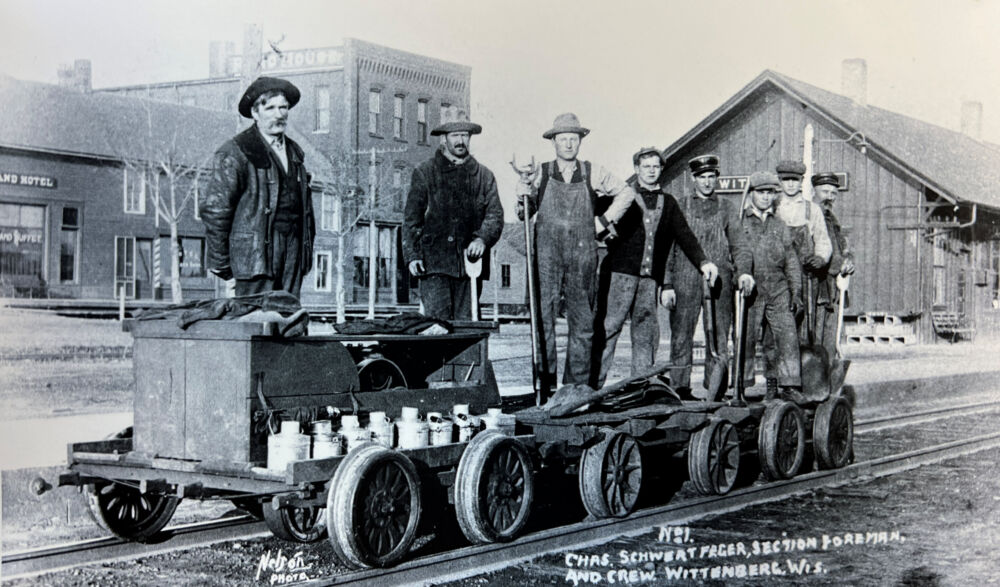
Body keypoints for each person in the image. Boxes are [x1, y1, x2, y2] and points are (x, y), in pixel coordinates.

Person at [516, 113, 636, 391]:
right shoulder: (541, 174)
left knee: (582, 324)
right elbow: (525, 212)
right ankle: (544, 388)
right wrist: (521, 195)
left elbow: (626, 193)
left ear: (580, 141)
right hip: (547, 258)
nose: (568, 144)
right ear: (553, 142)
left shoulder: (592, 172)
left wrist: (604, 221)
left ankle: (575, 390)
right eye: (563, 139)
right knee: (542, 320)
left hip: (582, 257)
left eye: (573, 138)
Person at [593, 147, 719, 389]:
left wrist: (704, 262)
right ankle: (592, 389)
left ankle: (638, 389)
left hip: (649, 280)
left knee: (645, 335)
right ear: (636, 169)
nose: (651, 171)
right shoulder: (621, 196)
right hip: (620, 276)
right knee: (609, 329)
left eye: (655, 167)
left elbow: (685, 235)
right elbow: (593, 211)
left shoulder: (668, 203)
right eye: (646, 166)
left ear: (661, 170)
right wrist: (605, 233)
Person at [201, 76, 315, 297]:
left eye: (283, 108)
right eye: (270, 108)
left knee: (290, 321)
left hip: (292, 252)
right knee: (256, 322)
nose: (279, 114)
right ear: (255, 113)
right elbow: (216, 210)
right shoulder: (236, 152)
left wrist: (305, 253)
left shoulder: (295, 153)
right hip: (253, 258)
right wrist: (222, 265)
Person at [663, 154, 753, 397]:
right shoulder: (680, 205)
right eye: (702, 177)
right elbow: (668, 247)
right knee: (681, 335)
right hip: (684, 277)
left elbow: (740, 245)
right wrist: (667, 283)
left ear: (717, 178)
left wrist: (744, 272)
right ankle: (679, 389)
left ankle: (716, 389)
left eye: (711, 176)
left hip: (719, 281)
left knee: (719, 336)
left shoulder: (727, 207)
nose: (706, 182)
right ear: (693, 179)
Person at [402, 108, 504, 320]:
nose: (461, 141)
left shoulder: (484, 176)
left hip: (470, 266)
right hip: (434, 266)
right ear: (443, 138)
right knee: (436, 328)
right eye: (455, 135)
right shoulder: (425, 172)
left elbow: (494, 215)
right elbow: (412, 219)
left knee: (467, 328)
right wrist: (412, 256)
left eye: (465, 135)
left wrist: (482, 239)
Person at [739, 172, 804, 403]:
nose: (766, 198)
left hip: (778, 289)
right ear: (752, 194)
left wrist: (796, 292)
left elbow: (792, 262)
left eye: (769, 193)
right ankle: (741, 388)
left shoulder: (780, 225)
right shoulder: (741, 223)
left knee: (785, 338)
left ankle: (783, 387)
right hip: (751, 291)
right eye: (761, 192)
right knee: (745, 339)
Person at [811, 172, 855, 358]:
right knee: (815, 336)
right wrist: (838, 263)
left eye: (833, 193)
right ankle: (813, 378)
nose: (829, 197)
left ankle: (827, 376)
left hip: (834, 286)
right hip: (816, 286)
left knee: (831, 335)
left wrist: (849, 260)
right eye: (825, 191)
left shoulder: (832, 219)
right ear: (814, 191)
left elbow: (843, 247)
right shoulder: (809, 217)